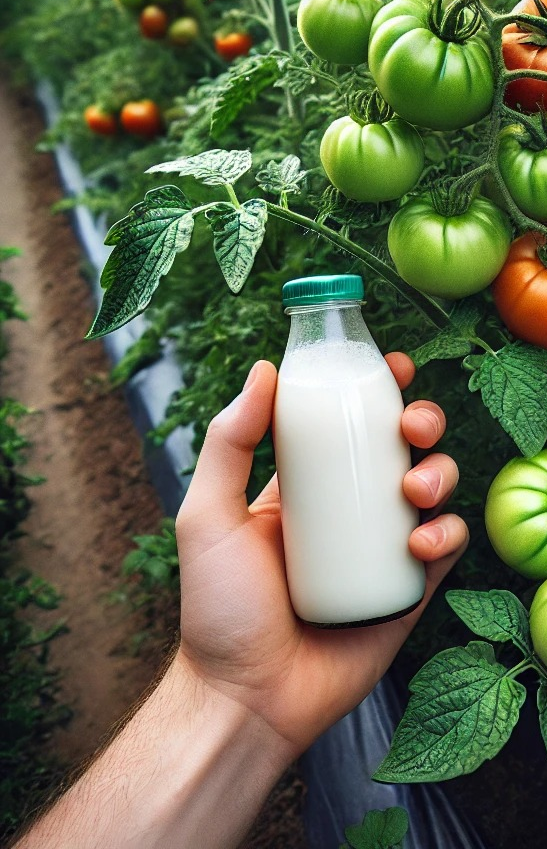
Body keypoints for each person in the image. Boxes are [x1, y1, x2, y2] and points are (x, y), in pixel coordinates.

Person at [13, 355, 468, 849]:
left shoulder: (322, 380)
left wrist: (228, 698)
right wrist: (228, 690)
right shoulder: (311, 382)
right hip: (267, 656)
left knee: (410, 463)